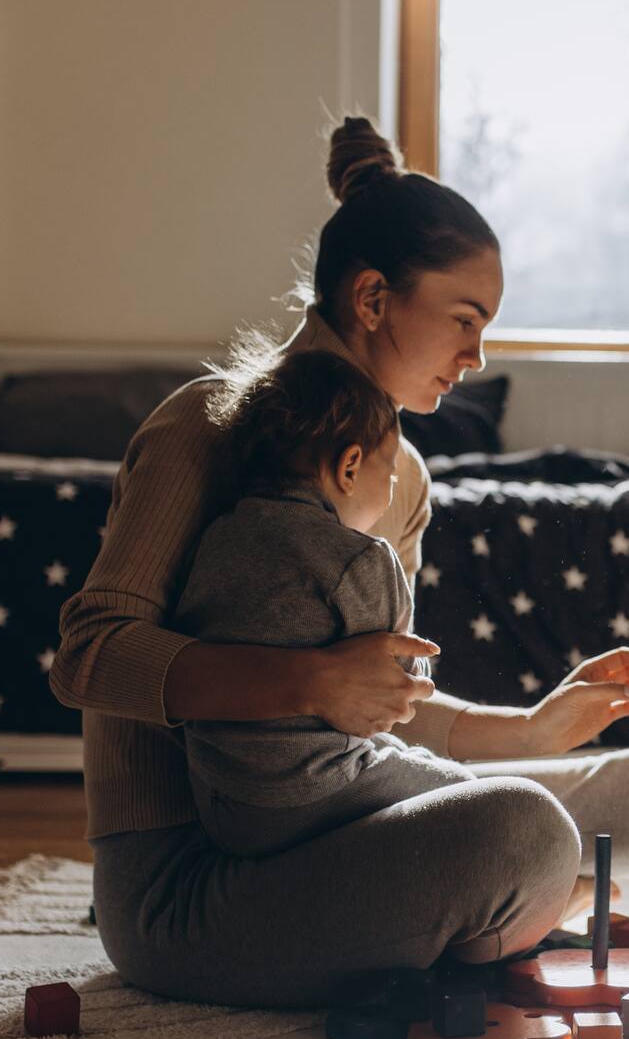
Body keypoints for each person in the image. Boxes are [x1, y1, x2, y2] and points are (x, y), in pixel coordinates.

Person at [51, 115, 629, 1010]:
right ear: (373, 298)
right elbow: (89, 655)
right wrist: (308, 681)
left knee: (626, 782)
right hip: (187, 890)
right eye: (465, 321)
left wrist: (532, 730)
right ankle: (496, 920)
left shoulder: (404, 478)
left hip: (335, 822)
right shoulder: (205, 424)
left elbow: (380, 706)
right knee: (520, 835)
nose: (476, 358)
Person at [174, 349, 482, 860]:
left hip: (222, 802)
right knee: (471, 794)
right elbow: (402, 676)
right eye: (389, 478)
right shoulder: (360, 557)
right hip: (313, 789)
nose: (388, 495)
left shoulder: (217, 536)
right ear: (350, 466)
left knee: (391, 757)